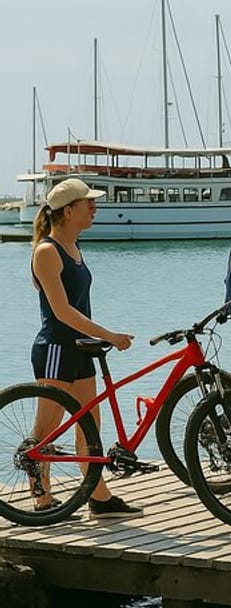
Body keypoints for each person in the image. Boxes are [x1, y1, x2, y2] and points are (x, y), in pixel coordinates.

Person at [29, 178, 141, 519]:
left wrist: (97, 339)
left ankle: (98, 495)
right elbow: (62, 311)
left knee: (89, 425)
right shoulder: (48, 251)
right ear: (68, 210)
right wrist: (109, 335)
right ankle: (41, 499)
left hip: (80, 349)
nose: (94, 208)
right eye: (88, 203)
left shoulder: (75, 248)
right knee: (46, 431)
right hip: (57, 349)